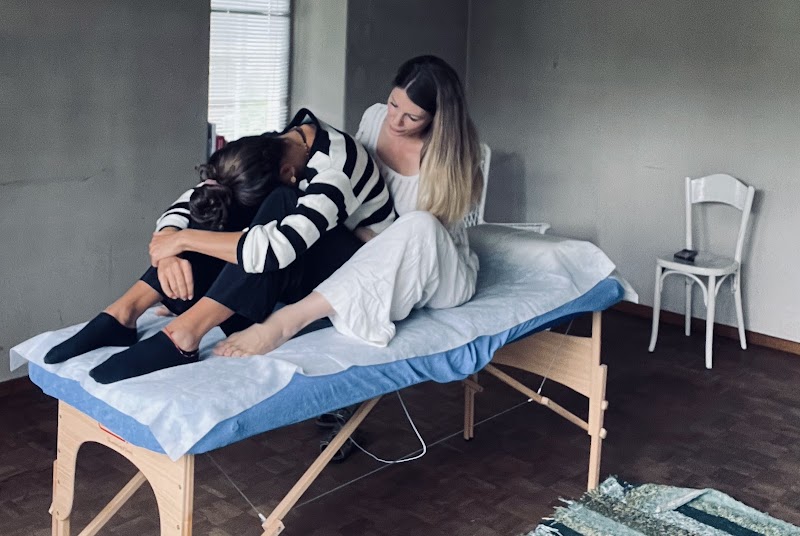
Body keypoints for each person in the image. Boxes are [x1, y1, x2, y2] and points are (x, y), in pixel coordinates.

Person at [44, 108, 395, 383]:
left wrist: (182, 240)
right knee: (221, 203)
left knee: (282, 203)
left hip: (351, 271)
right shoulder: (269, 147)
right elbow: (201, 196)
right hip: (297, 255)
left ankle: (186, 335)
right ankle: (125, 312)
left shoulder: (336, 168)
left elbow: (278, 249)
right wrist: (168, 247)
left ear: (289, 172)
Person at [216, 55, 483, 356]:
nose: (396, 121)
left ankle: (287, 322)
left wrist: (363, 232)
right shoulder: (374, 118)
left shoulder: (448, 160)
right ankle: (218, 299)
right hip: (364, 240)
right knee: (288, 201)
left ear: (437, 119)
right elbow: (350, 182)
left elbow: (414, 247)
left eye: (412, 117)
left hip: (438, 271)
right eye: (394, 104)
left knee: (422, 223)